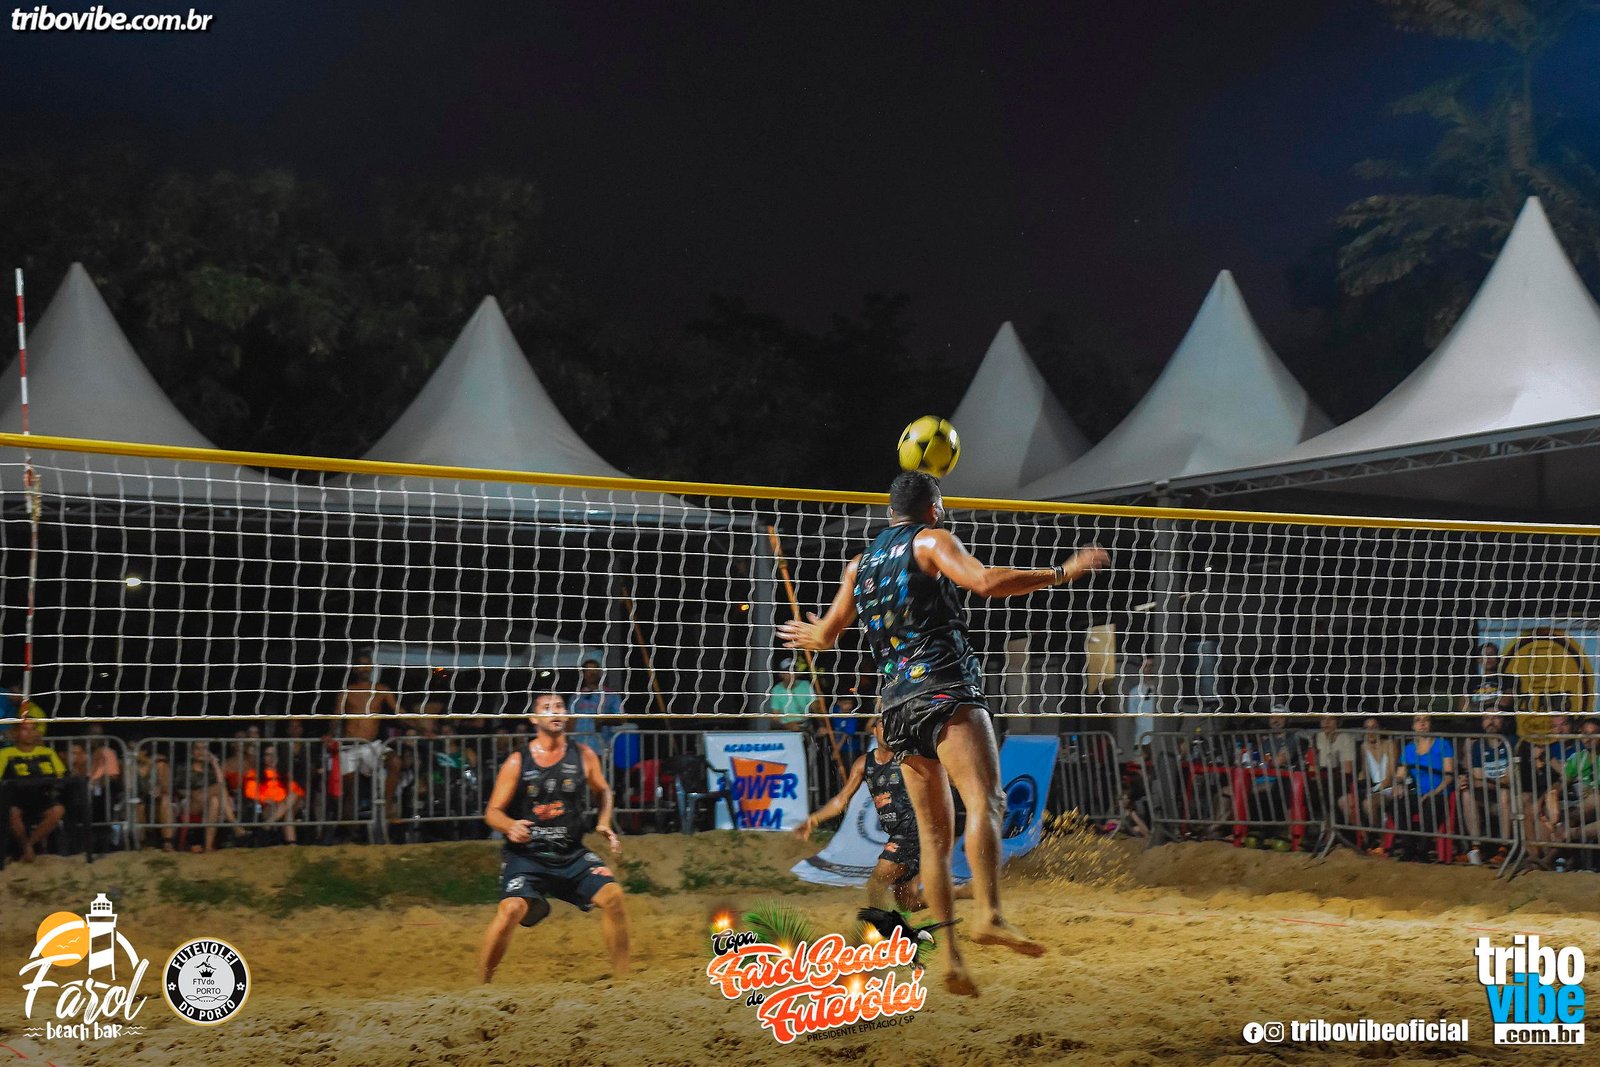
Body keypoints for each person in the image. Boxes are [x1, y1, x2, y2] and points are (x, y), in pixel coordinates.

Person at [778, 469, 1108, 996]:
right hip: (943, 689)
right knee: (986, 801)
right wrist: (1061, 571)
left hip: (894, 709)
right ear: (933, 509)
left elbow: (828, 634)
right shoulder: (931, 539)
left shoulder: (859, 565)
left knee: (932, 838)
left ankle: (952, 959)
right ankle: (990, 915)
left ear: (890, 512)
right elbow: (984, 582)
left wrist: (810, 633)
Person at [479, 693, 628, 982]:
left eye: (559, 707)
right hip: (527, 856)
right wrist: (509, 825)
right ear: (534, 719)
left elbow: (604, 791)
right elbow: (492, 812)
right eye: (547, 708)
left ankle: (625, 980)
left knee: (613, 897)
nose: (555, 712)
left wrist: (603, 822)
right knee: (511, 909)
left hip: (571, 854)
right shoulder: (518, 761)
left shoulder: (583, 754)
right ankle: (482, 984)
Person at [326, 653, 400, 828]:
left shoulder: (381, 690)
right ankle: (348, 832)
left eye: (367, 665)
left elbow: (400, 712)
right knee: (350, 791)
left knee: (395, 762)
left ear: (372, 667)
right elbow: (336, 718)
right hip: (349, 746)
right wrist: (330, 734)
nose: (364, 668)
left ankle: (387, 806)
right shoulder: (347, 692)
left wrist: (424, 729)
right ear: (354, 669)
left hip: (370, 746)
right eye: (361, 665)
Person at [0, 718, 67, 862]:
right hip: (15, 798)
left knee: (58, 810)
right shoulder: (5, 753)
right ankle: (26, 848)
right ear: (16, 732)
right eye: (25, 729)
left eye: (33, 729)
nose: (29, 733)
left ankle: (28, 846)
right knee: (12, 812)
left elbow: (61, 776)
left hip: (41, 796)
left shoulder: (47, 752)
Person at [1394, 713, 1455, 861]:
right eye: (1418, 720)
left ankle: (1423, 850)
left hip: (1439, 792)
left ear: (1430, 724)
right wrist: (1399, 785)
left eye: (1425, 720)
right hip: (1418, 792)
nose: (1422, 723)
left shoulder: (1442, 744)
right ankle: (1408, 848)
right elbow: (1400, 775)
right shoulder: (1409, 749)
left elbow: (1449, 776)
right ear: (1413, 726)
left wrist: (1434, 792)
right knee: (1398, 803)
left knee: (1431, 804)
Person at [569, 658, 625, 743]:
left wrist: (604, 720)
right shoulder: (576, 696)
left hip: (602, 744)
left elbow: (621, 719)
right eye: (588, 670)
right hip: (579, 744)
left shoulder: (611, 695)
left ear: (599, 672)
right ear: (583, 674)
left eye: (594, 669)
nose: (592, 673)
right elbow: (570, 721)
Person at [767, 657, 822, 731]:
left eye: (794, 670)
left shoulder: (805, 685)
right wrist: (788, 726)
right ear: (781, 674)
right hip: (785, 728)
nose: (792, 674)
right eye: (788, 671)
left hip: (805, 726)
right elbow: (775, 717)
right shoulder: (776, 690)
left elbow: (815, 708)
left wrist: (820, 702)